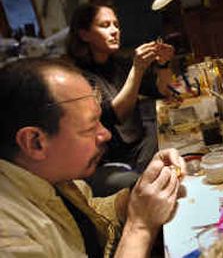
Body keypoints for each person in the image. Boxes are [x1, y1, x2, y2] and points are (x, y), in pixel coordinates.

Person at [0, 58, 185, 257]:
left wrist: (139, 194)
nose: (105, 134)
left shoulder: (50, 176)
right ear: (34, 142)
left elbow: (89, 216)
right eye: (90, 128)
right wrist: (140, 226)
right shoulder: (10, 236)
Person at [66, 3, 175, 192]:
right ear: (84, 34)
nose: (114, 31)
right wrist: (138, 68)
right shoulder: (79, 76)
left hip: (140, 144)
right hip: (114, 160)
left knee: (181, 151)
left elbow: (163, 91)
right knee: (158, 179)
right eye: (105, 25)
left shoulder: (118, 63)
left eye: (116, 24)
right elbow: (117, 115)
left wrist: (164, 64)